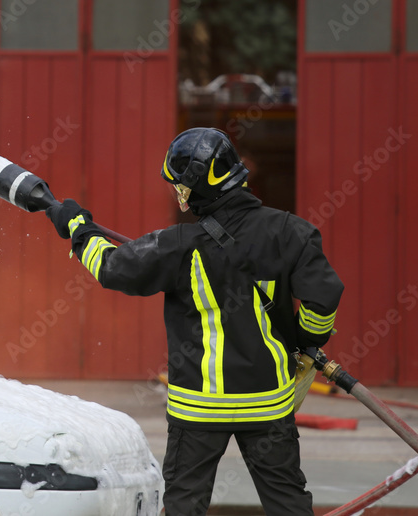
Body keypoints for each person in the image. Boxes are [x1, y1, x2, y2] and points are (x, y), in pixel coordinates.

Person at [46, 127, 343, 515]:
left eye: (178, 187)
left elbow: (111, 267)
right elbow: (323, 299)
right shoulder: (292, 232)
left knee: (185, 504)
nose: (176, 194)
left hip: (199, 409)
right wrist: (306, 339)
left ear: (193, 188)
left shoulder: (178, 244)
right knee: (288, 503)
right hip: (268, 405)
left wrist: (78, 229)